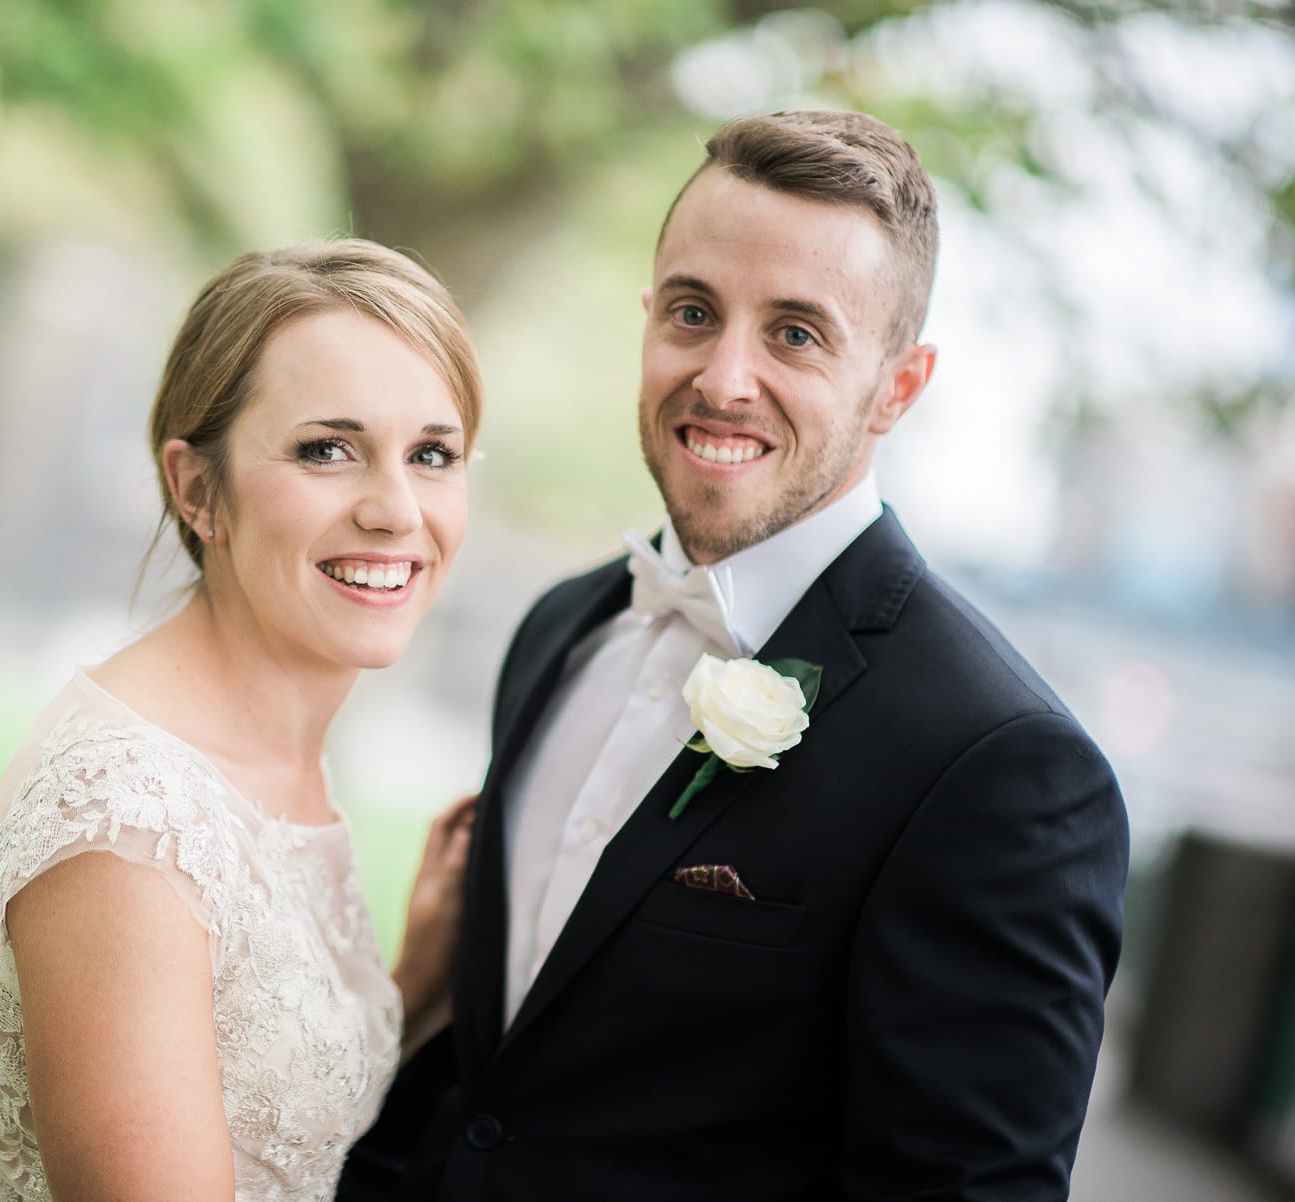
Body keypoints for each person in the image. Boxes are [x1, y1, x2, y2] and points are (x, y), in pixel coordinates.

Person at [339, 110, 1130, 1202]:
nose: (723, 377)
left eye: (796, 333)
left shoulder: (999, 766)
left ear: (899, 386)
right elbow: (487, 1083)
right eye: (693, 312)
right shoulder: (558, 629)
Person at [0, 238, 482, 1202]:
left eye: (432, 455)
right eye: (328, 449)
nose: (397, 510)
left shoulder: (276, 758)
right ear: (199, 490)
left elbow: (270, 1109)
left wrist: (409, 989)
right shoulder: (128, 827)